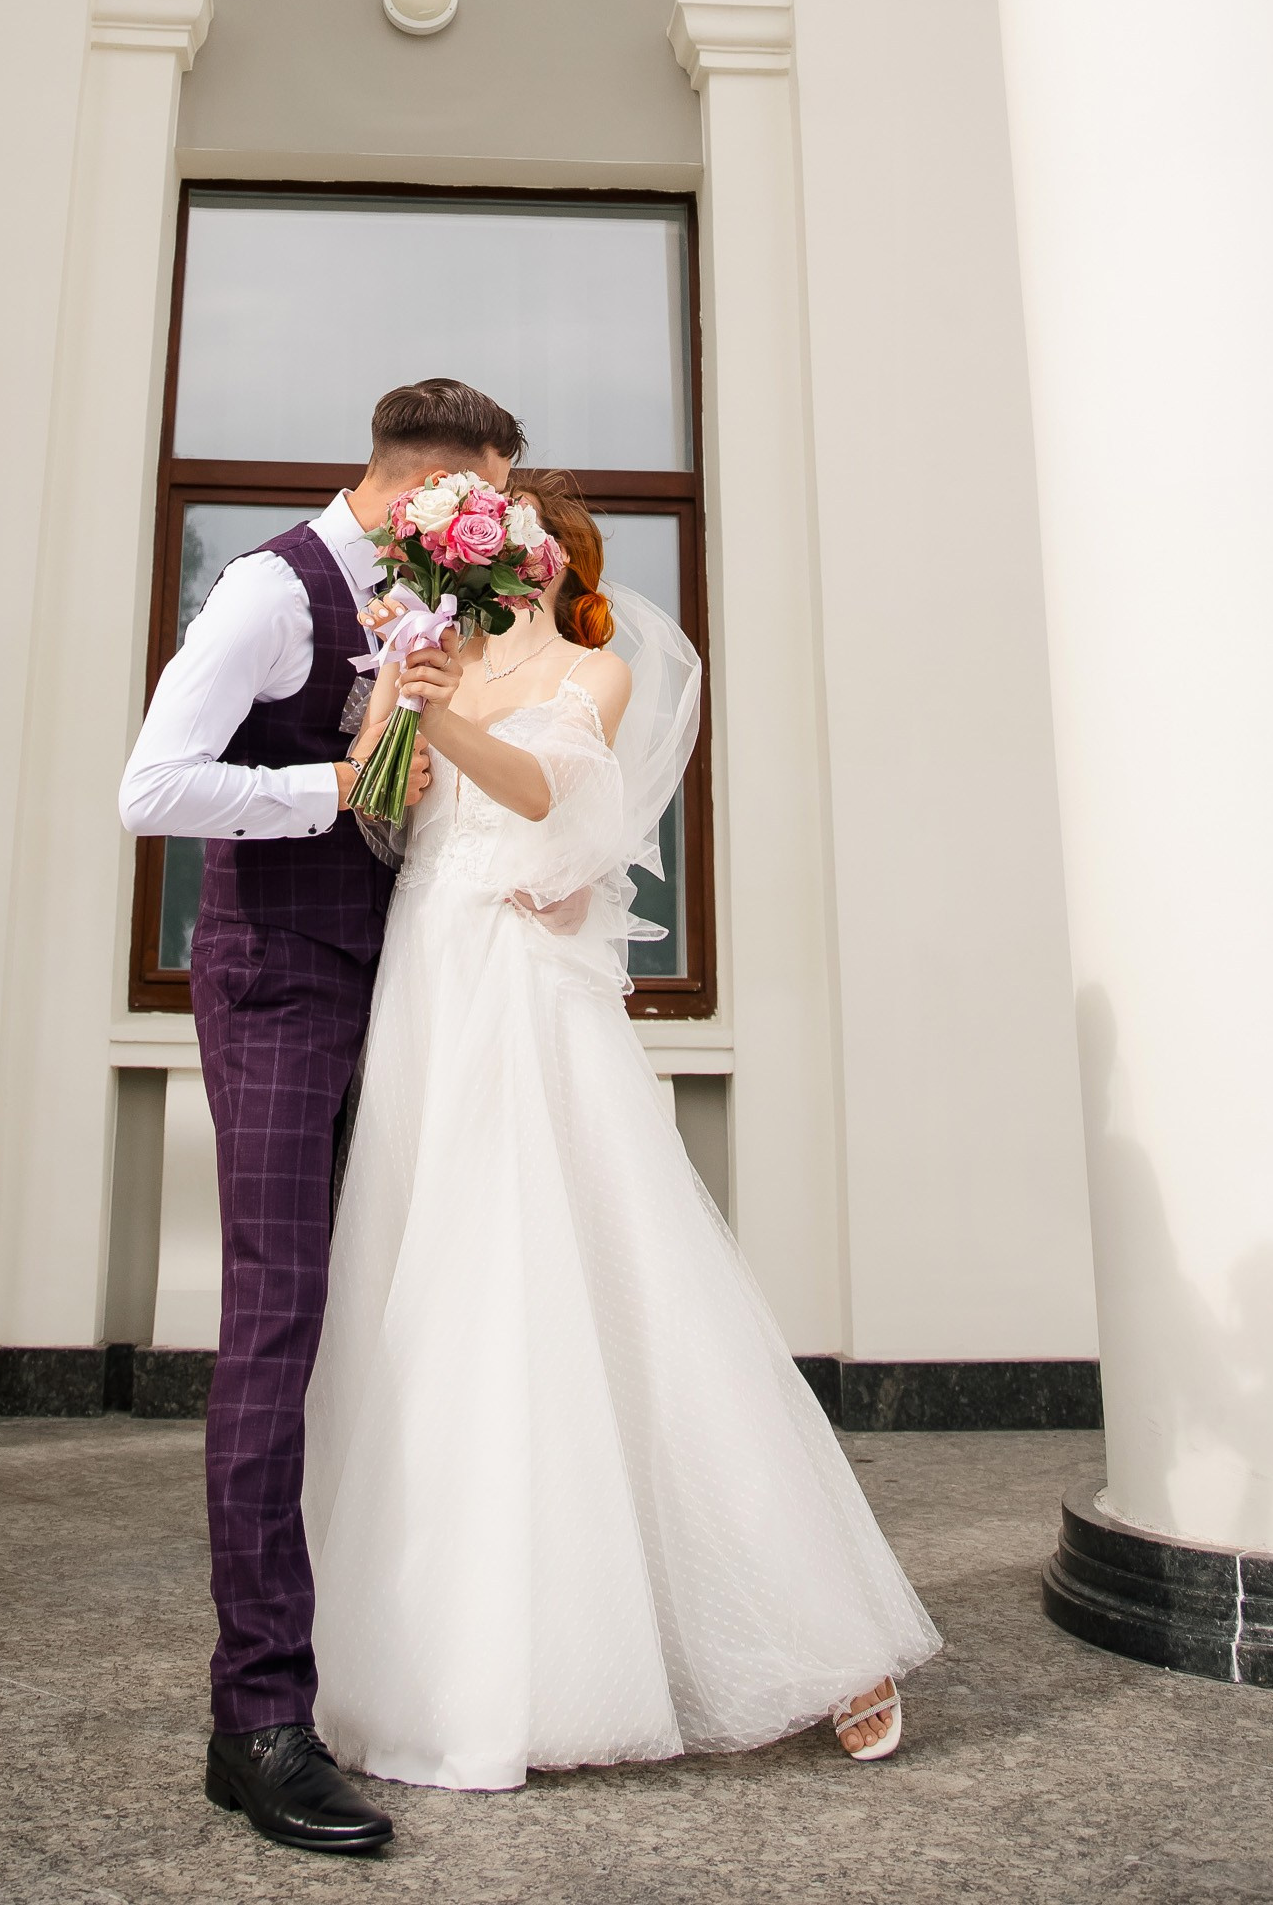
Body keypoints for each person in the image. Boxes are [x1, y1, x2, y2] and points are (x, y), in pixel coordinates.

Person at [305, 469, 940, 1794]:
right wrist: (393, 706)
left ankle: (818, 1640)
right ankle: (452, 1654)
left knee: (621, 1274)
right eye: (498, 535)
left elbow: (544, 795)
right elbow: (381, 803)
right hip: (433, 964)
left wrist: (439, 711)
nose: (514, 553)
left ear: (558, 560)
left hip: (529, 989)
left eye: (532, 537)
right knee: (438, 1282)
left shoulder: (595, 672)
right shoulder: (427, 656)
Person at [119, 377, 526, 1858]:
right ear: (427, 490)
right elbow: (151, 787)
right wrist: (331, 782)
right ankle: (256, 1719)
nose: (498, 531)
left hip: (399, 979)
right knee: (277, 1321)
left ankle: (378, 1659)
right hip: (278, 981)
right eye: (489, 503)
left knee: (391, 1313)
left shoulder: (428, 599)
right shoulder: (270, 591)